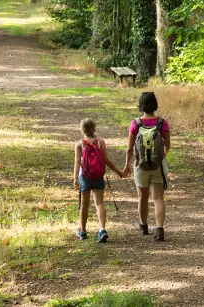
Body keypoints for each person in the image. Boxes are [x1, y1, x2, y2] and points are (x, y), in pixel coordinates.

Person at [122, 91, 171, 241]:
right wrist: (161, 157)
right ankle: (159, 229)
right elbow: (167, 145)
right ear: (155, 104)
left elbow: (130, 148)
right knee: (158, 198)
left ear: (141, 105)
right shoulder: (162, 123)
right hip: (157, 165)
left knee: (142, 197)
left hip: (140, 165)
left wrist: (127, 165)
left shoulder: (135, 123)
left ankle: (143, 226)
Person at [73, 118, 123, 243]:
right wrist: (118, 171)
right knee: (99, 203)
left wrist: (75, 179)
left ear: (82, 130)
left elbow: (78, 162)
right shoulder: (100, 143)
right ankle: (102, 229)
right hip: (98, 176)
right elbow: (106, 160)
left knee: (84, 205)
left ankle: (83, 231)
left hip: (84, 177)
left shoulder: (80, 144)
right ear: (94, 129)